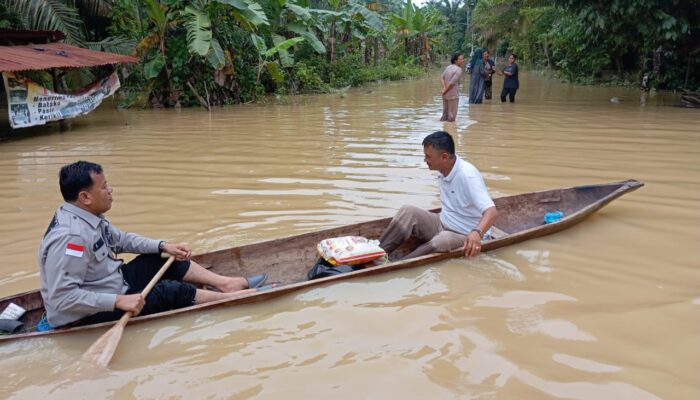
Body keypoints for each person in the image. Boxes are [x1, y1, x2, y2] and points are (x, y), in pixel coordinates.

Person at [38, 161, 270, 329]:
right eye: (104, 187)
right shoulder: (72, 238)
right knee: (168, 291)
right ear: (85, 197)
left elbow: (122, 240)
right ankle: (231, 299)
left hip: (112, 284)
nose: (110, 191)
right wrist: (119, 301)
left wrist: (163, 246)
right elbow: (63, 298)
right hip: (85, 315)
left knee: (160, 258)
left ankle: (227, 284)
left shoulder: (87, 216)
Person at [378, 131, 498, 260]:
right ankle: (375, 254)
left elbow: (492, 212)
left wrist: (477, 233)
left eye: (428, 157)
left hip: (465, 234)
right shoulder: (442, 170)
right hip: (443, 223)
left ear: (444, 157)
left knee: (442, 240)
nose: (425, 160)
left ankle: (400, 264)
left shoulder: (467, 175)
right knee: (408, 211)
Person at [440, 52, 466, 122]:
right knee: (452, 116)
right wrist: (445, 90)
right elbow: (452, 83)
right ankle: (450, 130)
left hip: (445, 94)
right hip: (453, 95)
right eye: (461, 59)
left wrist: (444, 89)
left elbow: (441, 78)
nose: (463, 60)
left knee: (445, 115)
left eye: (463, 59)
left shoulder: (448, 67)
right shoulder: (458, 70)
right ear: (456, 61)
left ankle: (443, 127)